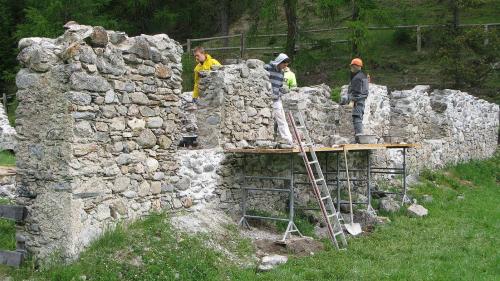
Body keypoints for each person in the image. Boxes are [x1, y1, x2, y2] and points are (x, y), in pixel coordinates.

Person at [264, 53, 294, 148]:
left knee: (282, 119)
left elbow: (280, 86)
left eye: (286, 66)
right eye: (284, 65)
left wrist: (281, 92)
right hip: (265, 99)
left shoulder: (282, 73)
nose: (285, 67)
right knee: (265, 119)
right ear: (279, 62)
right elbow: (261, 79)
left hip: (276, 99)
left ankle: (288, 140)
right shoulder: (267, 68)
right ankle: (265, 139)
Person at [341, 58, 369, 142]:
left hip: (358, 101)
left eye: (352, 66)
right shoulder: (362, 76)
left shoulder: (357, 78)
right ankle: (359, 139)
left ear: (357, 66)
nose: (351, 68)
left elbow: (356, 93)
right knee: (358, 118)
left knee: (357, 118)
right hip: (360, 100)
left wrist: (350, 100)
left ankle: (360, 139)